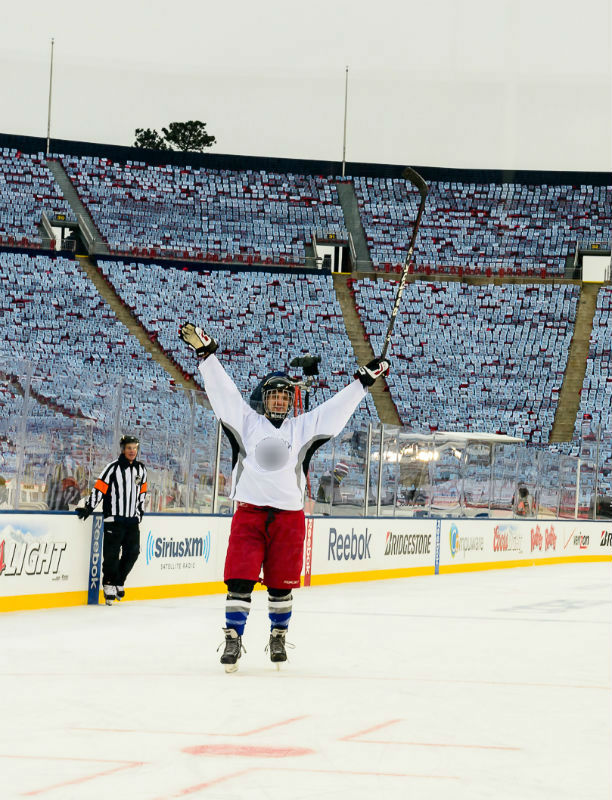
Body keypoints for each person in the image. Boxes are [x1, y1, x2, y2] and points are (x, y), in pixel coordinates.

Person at [179, 323, 389, 672]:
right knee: (240, 580)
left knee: (280, 586)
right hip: (248, 515)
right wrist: (206, 354)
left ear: (290, 402)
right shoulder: (245, 423)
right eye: (274, 394)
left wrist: (362, 382)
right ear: (264, 398)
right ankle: (233, 638)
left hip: (289, 520)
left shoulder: (301, 428)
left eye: (285, 396)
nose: (279, 399)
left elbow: (335, 410)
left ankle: (278, 636)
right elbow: (224, 394)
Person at [75, 435, 148, 605]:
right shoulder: (112, 468)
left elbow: (142, 493)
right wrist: (89, 507)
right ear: (123, 449)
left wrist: (140, 512)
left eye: (135, 448)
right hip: (113, 519)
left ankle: (119, 581)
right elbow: (100, 488)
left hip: (131, 521)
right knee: (111, 555)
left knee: (133, 552)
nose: (132, 451)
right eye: (129, 448)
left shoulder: (141, 470)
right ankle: (108, 583)